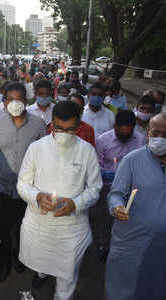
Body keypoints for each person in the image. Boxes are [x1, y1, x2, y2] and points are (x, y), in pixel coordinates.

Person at [17, 101, 102, 300]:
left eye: (69, 129)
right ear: (52, 124)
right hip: (40, 223)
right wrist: (37, 197)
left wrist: (75, 204)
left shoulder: (86, 150)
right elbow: (22, 184)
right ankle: (42, 274)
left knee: (67, 273)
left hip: (70, 228)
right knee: (42, 262)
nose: (63, 134)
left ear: (79, 125)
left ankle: (62, 296)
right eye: (58, 128)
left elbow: (95, 188)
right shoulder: (36, 148)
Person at [105, 113, 166, 300]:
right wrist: (117, 207)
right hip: (133, 240)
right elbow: (116, 193)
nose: (161, 138)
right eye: (156, 133)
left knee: (159, 284)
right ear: (148, 132)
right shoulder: (132, 160)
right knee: (125, 285)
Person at [0, 82, 47, 282]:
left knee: (23, 227)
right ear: (4, 102)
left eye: (18, 99)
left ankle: (20, 258)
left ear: (26, 100)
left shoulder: (38, 125)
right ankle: (3, 261)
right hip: (2, 187)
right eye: (10, 99)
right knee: (1, 227)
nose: (14, 103)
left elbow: (44, 157)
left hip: (27, 189)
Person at [95, 110, 147, 262]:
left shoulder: (141, 140)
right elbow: (95, 164)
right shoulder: (103, 140)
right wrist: (104, 173)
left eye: (128, 135)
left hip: (131, 189)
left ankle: (121, 247)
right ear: (115, 126)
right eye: (120, 135)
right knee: (105, 219)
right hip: (108, 187)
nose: (124, 138)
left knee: (126, 219)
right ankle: (103, 245)